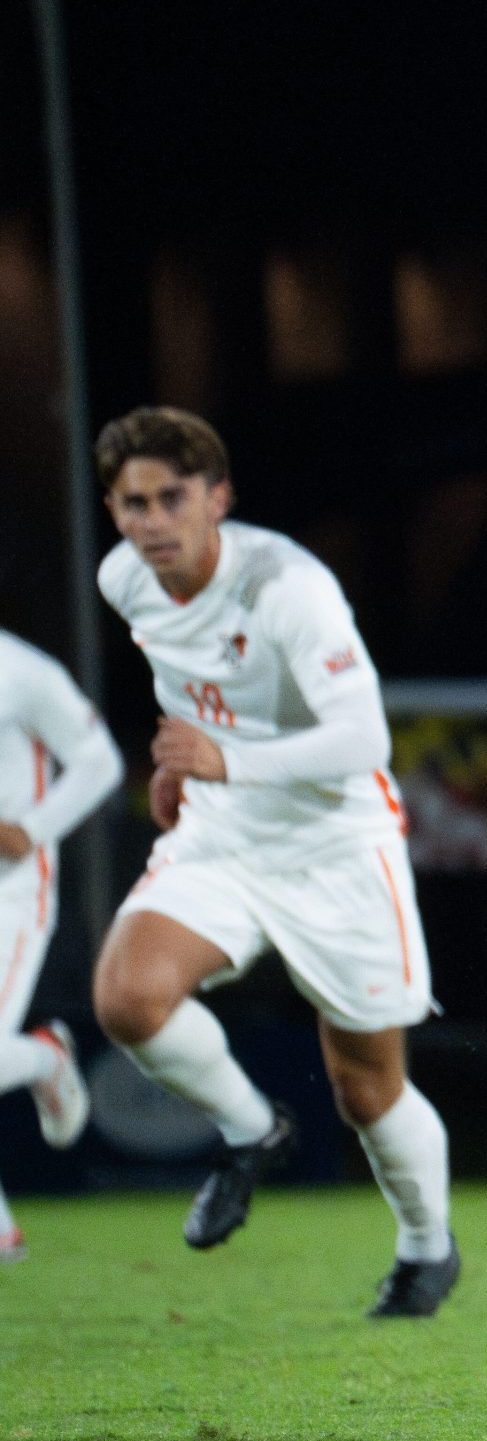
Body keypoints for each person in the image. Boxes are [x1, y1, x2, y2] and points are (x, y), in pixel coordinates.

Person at [87, 408, 461, 1314]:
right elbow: (188, 685)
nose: (151, 521)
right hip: (224, 832)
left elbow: (364, 736)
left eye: (172, 497)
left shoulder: (289, 587)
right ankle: (251, 1130)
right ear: (113, 509)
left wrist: (227, 758)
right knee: (128, 998)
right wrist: (178, 769)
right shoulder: (123, 580)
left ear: (218, 497)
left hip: (335, 845)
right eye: (132, 502)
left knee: (365, 1086)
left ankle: (426, 1248)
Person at [0, 628, 124, 1261]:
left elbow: (100, 761)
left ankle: (48, 1059)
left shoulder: (20, 669)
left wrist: (34, 827)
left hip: (10, 890)